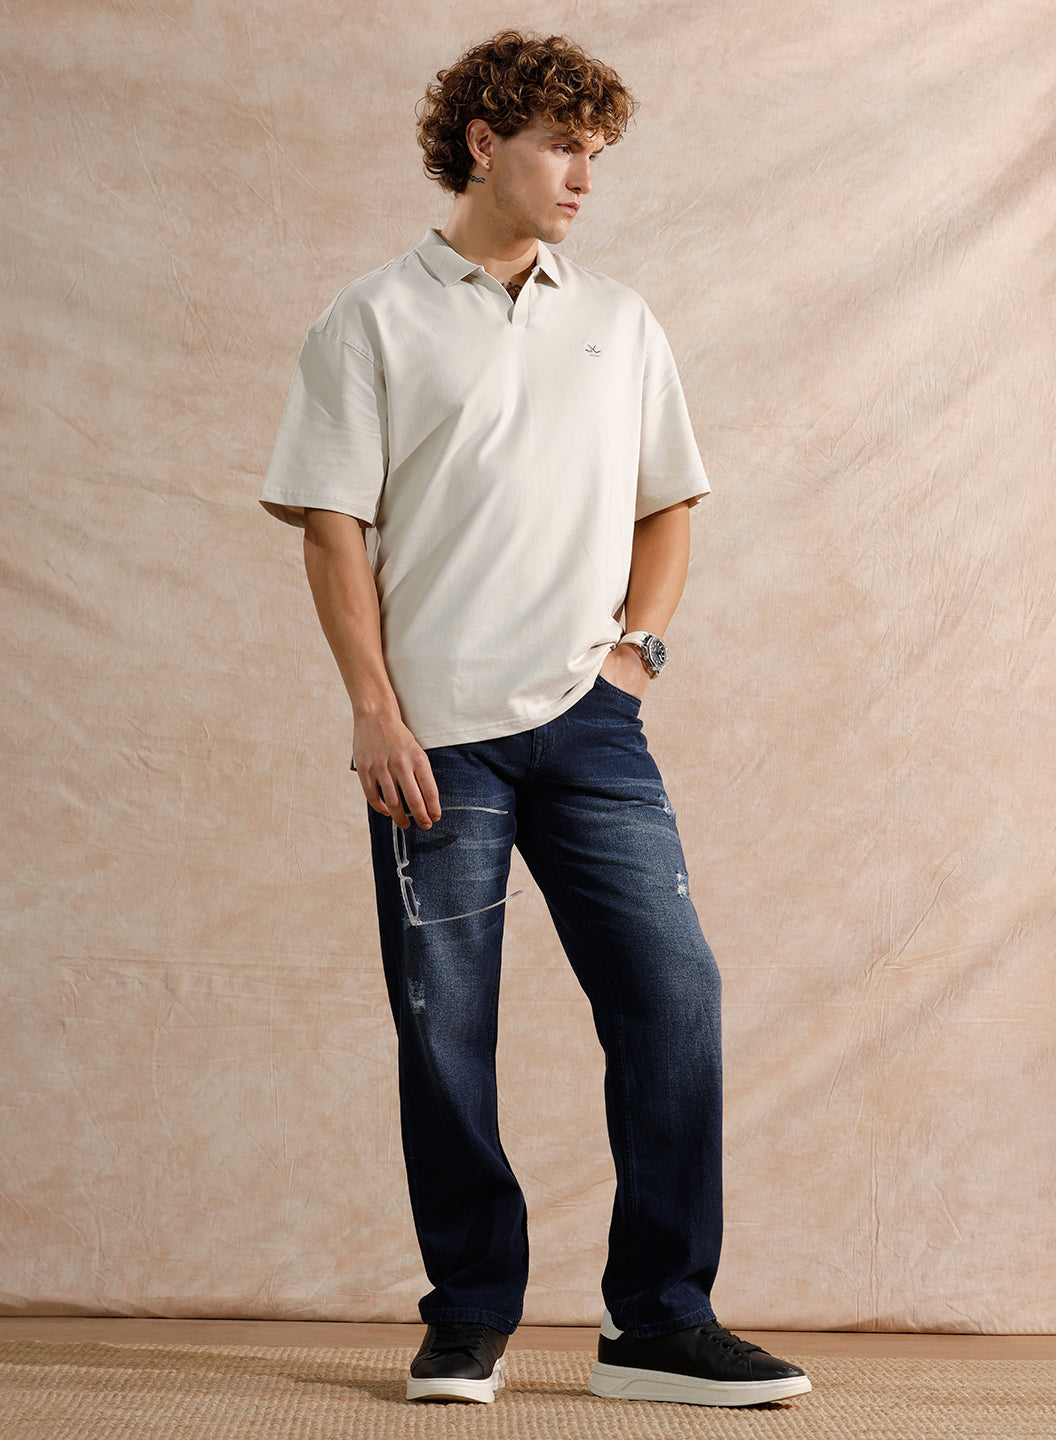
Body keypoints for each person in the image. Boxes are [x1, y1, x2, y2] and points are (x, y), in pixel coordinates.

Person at [260, 29, 811, 1410]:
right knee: (447, 1027)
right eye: (564, 146)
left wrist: (636, 658)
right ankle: (469, 1316)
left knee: (674, 998)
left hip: (593, 726)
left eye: (596, 152)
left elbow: (669, 504)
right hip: (433, 735)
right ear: (484, 142)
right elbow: (333, 530)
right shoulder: (370, 320)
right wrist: (373, 712)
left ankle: (658, 1321)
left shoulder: (618, 319)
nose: (585, 176)